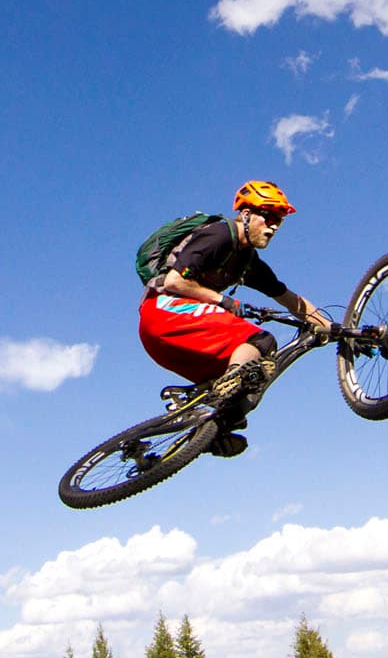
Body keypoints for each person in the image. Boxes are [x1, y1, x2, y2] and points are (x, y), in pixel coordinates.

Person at [139, 180, 334, 456]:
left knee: (249, 390)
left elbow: (290, 299)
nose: (275, 226)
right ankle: (223, 399)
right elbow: (173, 282)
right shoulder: (219, 235)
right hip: (164, 311)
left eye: (279, 220)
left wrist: (340, 331)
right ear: (245, 214)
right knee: (261, 341)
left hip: (174, 339)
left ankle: (207, 431)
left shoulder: (248, 262)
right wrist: (224, 301)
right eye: (268, 217)